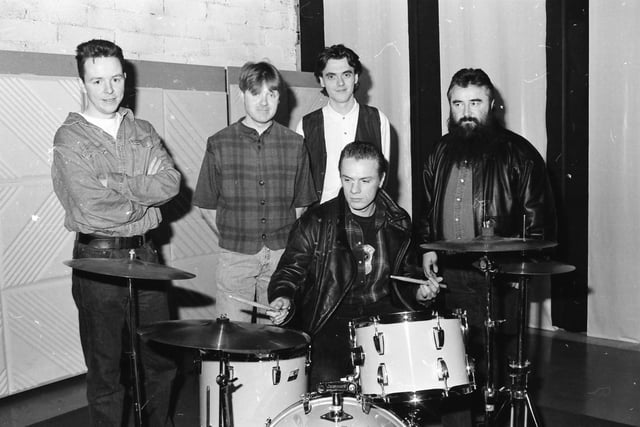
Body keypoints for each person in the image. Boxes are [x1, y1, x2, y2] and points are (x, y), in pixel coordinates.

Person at [416, 68, 557, 425]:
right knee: (456, 367)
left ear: (492, 104)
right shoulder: (439, 151)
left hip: (500, 278)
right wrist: (428, 247)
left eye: (475, 102)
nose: (465, 111)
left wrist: (517, 270)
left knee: (498, 369)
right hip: (451, 276)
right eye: (458, 103)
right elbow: (429, 206)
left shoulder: (520, 154)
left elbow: (539, 225)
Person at [51, 39, 180, 426]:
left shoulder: (142, 129)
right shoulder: (69, 137)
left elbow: (171, 183)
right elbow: (90, 205)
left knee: (160, 361)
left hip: (145, 256)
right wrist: (144, 200)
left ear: (125, 78)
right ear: (83, 83)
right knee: (106, 372)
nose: (108, 91)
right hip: (97, 260)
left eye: (115, 79)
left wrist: (115, 181)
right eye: (97, 81)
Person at [267, 141, 441, 391]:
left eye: (365, 181)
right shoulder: (316, 221)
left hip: (382, 316)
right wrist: (282, 296)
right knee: (328, 389)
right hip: (331, 316)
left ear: (381, 179)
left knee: (410, 381)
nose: (354, 190)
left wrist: (420, 293)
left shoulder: (398, 222)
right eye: (347, 180)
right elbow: (289, 271)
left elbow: (406, 275)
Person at [193, 61, 317, 323]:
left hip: (282, 258)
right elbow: (205, 205)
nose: (264, 102)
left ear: (280, 97)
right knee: (232, 339)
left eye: (271, 94)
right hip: (235, 258)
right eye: (256, 93)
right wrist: (236, 239)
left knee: (275, 339)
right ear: (242, 94)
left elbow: (301, 203)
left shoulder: (296, 144)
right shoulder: (219, 143)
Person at [297, 44, 391, 204]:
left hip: (364, 217)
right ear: (321, 80)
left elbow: (383, 176)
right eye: (331, 76)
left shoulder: (377, 119)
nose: (340, 83)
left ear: (355, 77)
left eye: (346, 75)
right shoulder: (306, 125)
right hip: (320, 219)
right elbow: (302, 184)